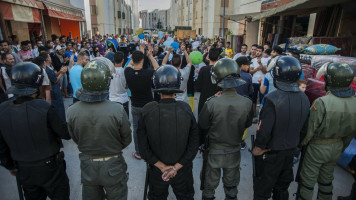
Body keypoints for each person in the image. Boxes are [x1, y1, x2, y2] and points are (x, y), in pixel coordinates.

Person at [0, 62, 71, 199]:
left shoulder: (2, 109)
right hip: (50, 168)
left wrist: (9, 164)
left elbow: (1, 146)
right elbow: (65, 133)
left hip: (23, 168)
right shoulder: (43, 107)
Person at [67, 59, 132, 200]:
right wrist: (112, 147)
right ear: (106, 82)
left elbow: (75, 138)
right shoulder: (118, 110)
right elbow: (126, 139)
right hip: (113, 165)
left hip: (88, 166)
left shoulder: (71, 111)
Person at [137, 65, 199, 199]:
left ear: (157, 89)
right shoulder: (186, 109)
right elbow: (194, 143)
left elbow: (142, 147)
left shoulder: (147, 110)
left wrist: (162, 167)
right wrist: (176, 167)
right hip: (183, 170)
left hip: (157, 170)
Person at [252, 56, 309, 200]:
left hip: (271, 153)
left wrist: (259, 146)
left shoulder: (272, 98)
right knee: (282, 188)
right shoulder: (304, 98)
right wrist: (296, 145)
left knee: (262, 190)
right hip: (290, 151)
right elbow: (304, 128)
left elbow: (264, 129)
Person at [297, 63, 356, 200]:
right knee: (326, 181)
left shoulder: (322, 102)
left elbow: (310, 130)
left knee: (307, 182)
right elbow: (350, 134)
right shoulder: (354, 103)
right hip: (337, 147)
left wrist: (301, 145)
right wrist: (341, 147)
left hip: (317, 147)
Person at [199, 58, 253, 200]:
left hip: (214, 152)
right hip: (234, 151)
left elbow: (203, 125)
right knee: (231, 188)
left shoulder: (211, 103)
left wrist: (210, 100)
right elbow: (247, 124)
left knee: (209, 188)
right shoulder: (247, 103)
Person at [124, 45, 159, 160]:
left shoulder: (128, 72)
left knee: (136, 129)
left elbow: (129, 64)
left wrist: (137, 54)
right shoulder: (148, 73)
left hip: (135, 105)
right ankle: (151, 150)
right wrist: (149, 55)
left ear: (133, 60)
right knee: (150, 128)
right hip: (148, 105)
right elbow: (157, 68)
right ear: (143, 60)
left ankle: (138, 152)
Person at [39, 52, 67, 122]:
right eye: (49, 57)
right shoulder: (47, 69)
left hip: (54, 90)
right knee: (58, 108)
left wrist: (59, 72)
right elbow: (54, 80)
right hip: (54, 91)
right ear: (47, 59)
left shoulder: (49, 67)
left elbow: (54, 76)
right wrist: (62, 73)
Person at [235, 56, 254, 150]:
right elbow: (251, 91)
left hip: (232, 103)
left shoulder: (231, 74)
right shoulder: (248, 76)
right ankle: (241, 142)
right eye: (247, 65)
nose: (248, 67)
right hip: (244, 105)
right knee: (244, 124)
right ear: (242, 65)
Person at [195, 48, 221, 114]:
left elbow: (198, 87)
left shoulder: (203, 69)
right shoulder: (221, 70)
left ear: (208, 57)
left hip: (204, 101)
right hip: (217, 101)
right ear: (218, 58)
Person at [250, 46, 268, 120]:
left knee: (261, 98)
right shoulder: (253, 60)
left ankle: (261, 113)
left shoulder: (265, 60)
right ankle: (254, 113)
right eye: (257, 50)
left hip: (262, 81)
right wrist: (256, 69)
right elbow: (250, 71)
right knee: (253, 98)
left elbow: (264, 71)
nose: (257, 52)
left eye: (259, 51)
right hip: (254, 81)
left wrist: (261, 64)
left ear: (262, 52)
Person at [109, 51, 129, 116]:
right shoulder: (125, 72)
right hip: (123, 100)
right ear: (123, 60)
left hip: (112, 100)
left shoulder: (109, 72)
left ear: (114, 59)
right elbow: (126, 87)